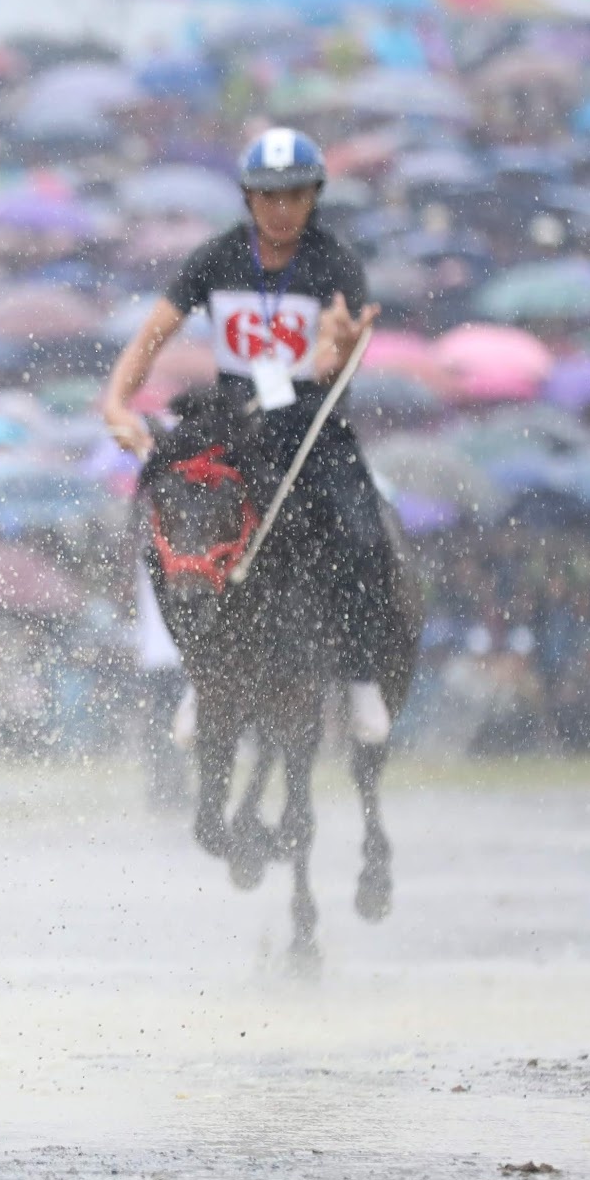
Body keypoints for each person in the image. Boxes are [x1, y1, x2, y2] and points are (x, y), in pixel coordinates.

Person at [100, 127, 392, 742]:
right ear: (247, 198)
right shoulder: (215, 258)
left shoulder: (335, 263)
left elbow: (340, 356)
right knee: (180, 526)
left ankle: (361, 675)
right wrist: (117, 401)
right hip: (236, 434)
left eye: (294, 195)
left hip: (313, 433)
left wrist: (334, 354)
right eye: (268, 196)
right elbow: (152, 336)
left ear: (314, 196)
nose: (281, 208)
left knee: (361, 527)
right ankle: (196, 674)